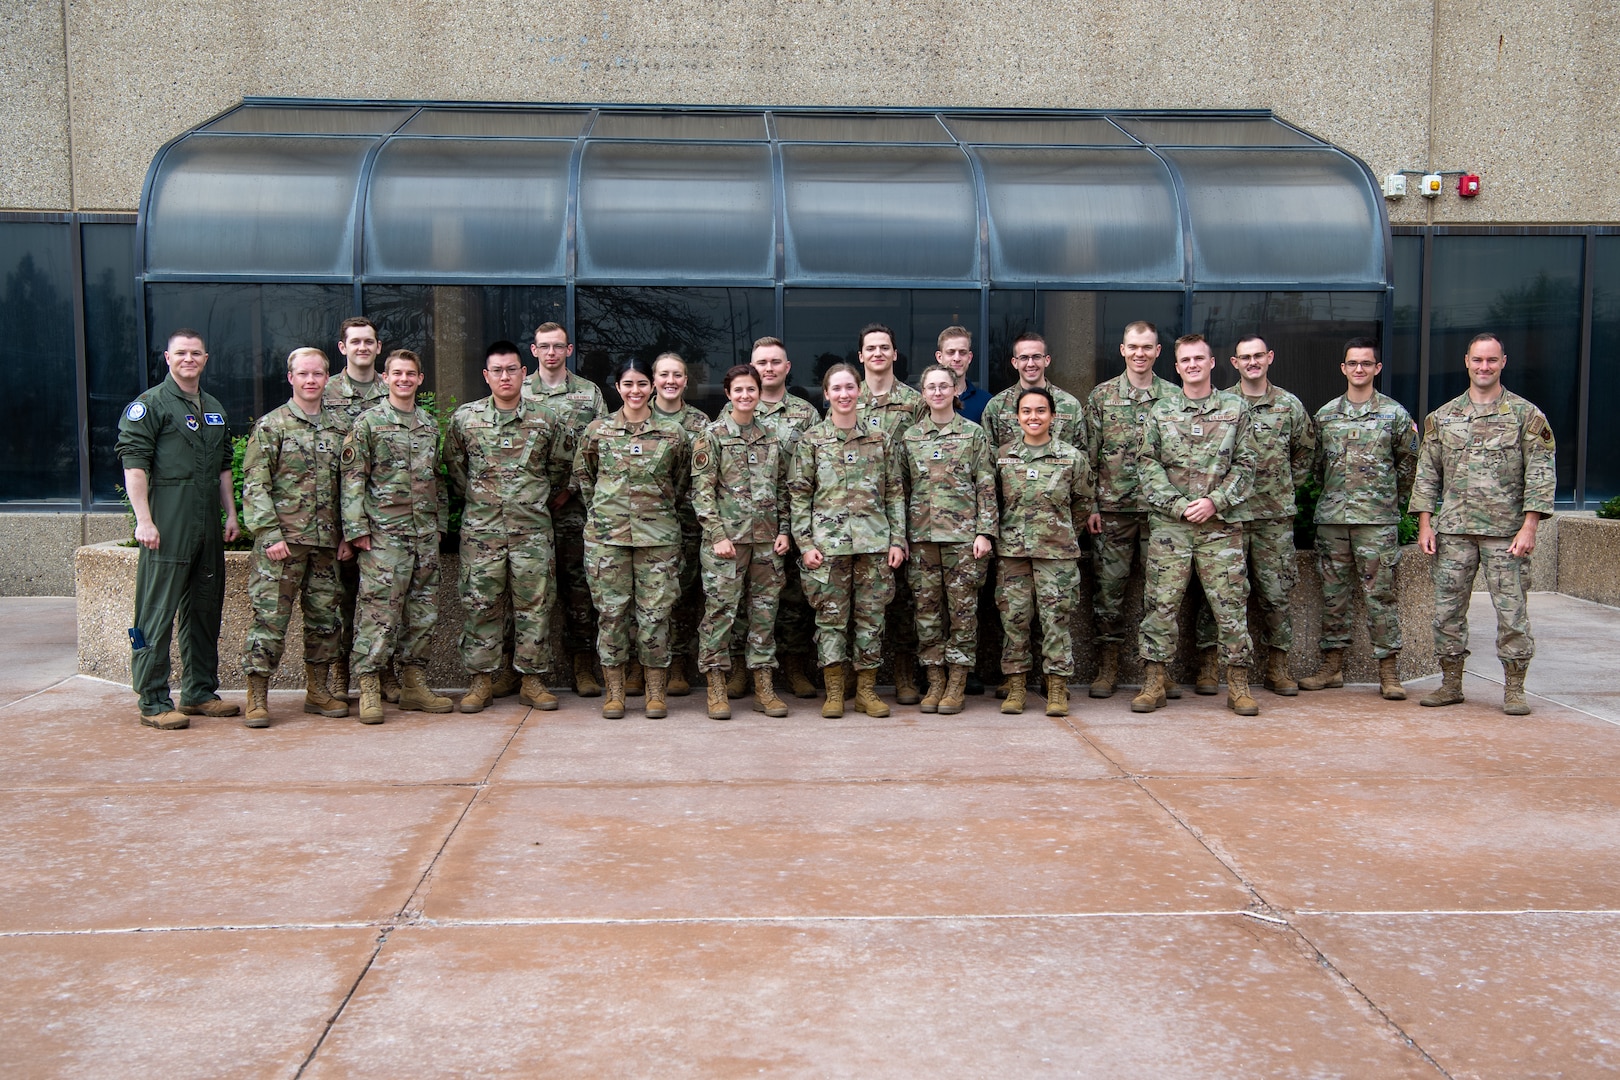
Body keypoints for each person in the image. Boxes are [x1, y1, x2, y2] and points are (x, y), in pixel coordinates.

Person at [1410, 332, 1556, 715]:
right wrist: (1425, 524)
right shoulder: (1442, 417)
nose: (1484, 367)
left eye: (1491, 360)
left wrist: (1530, 526)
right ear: (1466, 361)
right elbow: (1427, 474)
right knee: (1446, 611)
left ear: (1503, 362)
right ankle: (1451, 683)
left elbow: (1540, 473)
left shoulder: (1526, 415)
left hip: (1505, 533)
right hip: (1454, 531)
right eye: (1478, 360)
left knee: (1511, 612)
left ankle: (1514, 688)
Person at [116, 329, 241, 729]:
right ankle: (152, 699)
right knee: (156, 611)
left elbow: (224, 469)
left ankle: (199, 692)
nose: (189, 358)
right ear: (167, 358)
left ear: (206, 358)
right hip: (166, 523)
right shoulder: (150, 405)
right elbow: (134, 466)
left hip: (206, 524)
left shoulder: (215, 407)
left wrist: (232, 515)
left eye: (196, 353)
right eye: (181, 353)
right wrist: (144, 520)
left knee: (204, 610)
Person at [1134, 334, 1260, 716]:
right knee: (1160, 605)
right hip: (1172, 527)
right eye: (1185, 360)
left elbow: (1247, 464)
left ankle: (1237, 685)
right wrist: (1177, 505)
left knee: (1230, 607)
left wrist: (1214, 502)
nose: (1192, 365)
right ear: (1176, 366)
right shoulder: (1161, 411)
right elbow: (1146, 463)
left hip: (1219, 527)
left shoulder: (1235, 409)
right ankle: (1154, 681)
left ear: (1211, 363)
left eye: (1198, 359)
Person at [445, 341, 571, 714]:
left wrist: (532, 500)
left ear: (523, 373)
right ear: (486, 376)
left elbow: (561, 468)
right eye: (497, 370)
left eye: (512, 369)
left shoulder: (547, 419)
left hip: (531, 532)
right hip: (481, 533)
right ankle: (480, 681)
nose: (505, 376)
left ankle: (532, 679)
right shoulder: (465, 419)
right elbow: (455, 469)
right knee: (480, 605)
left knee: (535, 605)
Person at [1191, 334, 1314, 696]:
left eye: (1258, 355)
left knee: (1276, 595)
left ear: (1270, 357)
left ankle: (1278, 666)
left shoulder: (1289, 405)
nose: (1252, 362)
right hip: (1227, 516)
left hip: (1273, 517)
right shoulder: (1222, 404)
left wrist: (1279, 489)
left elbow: (1305, 456)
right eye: (1245, 357)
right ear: (1234, 363)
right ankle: (1209, 665)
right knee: (1217, 594)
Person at [239, 347, 353, 727]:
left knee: (325, 620)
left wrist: (347, 535)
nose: (310, 380)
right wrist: (269, 534)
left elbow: (348, 487)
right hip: (282, 545)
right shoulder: (272, 426)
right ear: (290, 378)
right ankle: (257, 695)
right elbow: (255, 485)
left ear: (327, 378)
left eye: (317, 374)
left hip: (325, 546)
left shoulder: (339, 429)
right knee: (270, 621)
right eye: (303, 374)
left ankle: (318, 691)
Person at [574, 356, 691, 719]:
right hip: (608, 540)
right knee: (611, 616)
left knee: (655, 615)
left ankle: (655, 692)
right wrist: (605, 514)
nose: (635, 390)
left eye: (642, 384)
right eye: (628, 384)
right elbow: (585, 476)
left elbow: (682, 481)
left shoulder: (674, 434)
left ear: (652, 387)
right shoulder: (598, 431)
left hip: (658, 539)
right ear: (618, 387)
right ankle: (616, 693)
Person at [1302, 338, 1419, 700]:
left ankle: (1388, 671)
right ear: (1343, 368)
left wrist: (1385, 500)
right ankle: (1332, 667)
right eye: (1352, 363)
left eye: (1366, 364)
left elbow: (1408, 465)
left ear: (1377, 369)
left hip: (1376, 522)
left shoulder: (1394, 415)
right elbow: (1316, 467)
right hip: (1333, 520)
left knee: (1380, 597)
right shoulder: (1325, 416)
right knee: (1333, 596)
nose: (1358, 369)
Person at [789, 363, 907, 719]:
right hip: (828, 549)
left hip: (873, 546)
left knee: (871, 620)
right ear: (826, 395)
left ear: (859, 392)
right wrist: (806, 544)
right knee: (831, 621)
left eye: (850, 387)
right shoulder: (811, 441)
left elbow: (895, 494)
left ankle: (867, 691)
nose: (844, 394)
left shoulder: (879, 441)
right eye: (836, 388)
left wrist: (897, 540)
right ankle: (835, 692)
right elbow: (798, 497)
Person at [341, 349, 453, 723]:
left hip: (423, 537)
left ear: (421, 380)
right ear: (385, 378)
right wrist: (357, 531)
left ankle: (412, 684)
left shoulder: (428, 424)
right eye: (397, 373)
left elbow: (436, 478)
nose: (404, 379)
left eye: (411, 374)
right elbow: (353, 479)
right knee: (379, 612)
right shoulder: (368, 423)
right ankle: (369, 685)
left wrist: (439, 527)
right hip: (385, 536)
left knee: (423, 613)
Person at [1084, 321, 1182, 698]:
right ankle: (1107, 667)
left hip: (1162, 513)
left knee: (1162, 595)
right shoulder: (1102, 396)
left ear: (1158, 352)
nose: (1140, 353)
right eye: (1133, 347)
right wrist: (1090, 504)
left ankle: (1158, 671)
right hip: (1113, 511)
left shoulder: (1174, 397)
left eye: (1147, 347)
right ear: (1122, 350)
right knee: (1108, 593)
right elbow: (1088, 456)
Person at [692, 365, 792, 720]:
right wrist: (717, 535)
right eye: (739, 390)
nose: (746, 396)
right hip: (727, 544)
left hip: (766, 542)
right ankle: (716, 686)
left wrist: (784, 530)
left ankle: (763, 687)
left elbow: (782, 488)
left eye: (751, 390)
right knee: (720, 614)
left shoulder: (771, 437)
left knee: (764, 615)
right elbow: (702, 492)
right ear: (728, 394)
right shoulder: (713, 435)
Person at [725, 336, 821, 699]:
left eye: (775, 362)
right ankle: (739, 670)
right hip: (747, 526)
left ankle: (795, 668)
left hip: (794, 521)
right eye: (761, 362)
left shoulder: (806, 414)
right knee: (743, 602)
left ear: (787, 367)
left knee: (795, 600)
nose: (768, 368)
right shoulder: (734, 409)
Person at [901, 364, 996, 714]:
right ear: (923, 394)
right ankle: (935, 679)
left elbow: (986, 485)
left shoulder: (973, 435)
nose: (939, 392)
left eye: (945, 386)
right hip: (922, 538)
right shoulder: (910, 438)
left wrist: (985, 532)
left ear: (956, 390)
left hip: (963, 540)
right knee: (926, 613)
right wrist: (901, 537)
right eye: (931, 387)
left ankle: (956, 681)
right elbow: (901, 489)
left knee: (962, 612)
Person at [524, 322, 608, 697]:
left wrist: (571, 489)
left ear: (569, 350)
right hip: (526, 509)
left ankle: (582, 666)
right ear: (534, 350)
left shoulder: (589, 394)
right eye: (545, 347)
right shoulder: (519, 389)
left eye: (558, 346)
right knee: (526, 590)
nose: (552, 353)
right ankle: (519, 668)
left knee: (579, 590)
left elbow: (602, 447)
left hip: (575, 509)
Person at [854, 323, 927, 704]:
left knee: (906, 601)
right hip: (860, 516)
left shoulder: (915, 403)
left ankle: (903, 674)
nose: (878, 353)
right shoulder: (848, 399)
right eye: (871, 348)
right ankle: (856, 678)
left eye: (885, 347)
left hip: (908, 511)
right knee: (861, 599)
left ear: (895, 354)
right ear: (861, 356)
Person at [323, 317, 391, 705]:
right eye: (356, 342)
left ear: (378, 347)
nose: (363, 348)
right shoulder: (325, 390)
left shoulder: (394, 388)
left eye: (369, 342)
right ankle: (339, 678)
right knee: (338, 602)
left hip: (383, 521)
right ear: (343, 347)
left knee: (381, 604)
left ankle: (383, 677)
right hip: (332, 519)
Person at [650, 351, 712, 698]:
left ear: (686, 381)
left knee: (684, 596)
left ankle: (677, 665)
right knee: (643, 598)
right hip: (647, 524)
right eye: (664, 374)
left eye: (677, 375)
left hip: (689, 523)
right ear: (654, 380)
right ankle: (639, 664)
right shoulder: (635, 418)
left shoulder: (702, 424)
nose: (670, 381)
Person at [980, 332, 1085, 451]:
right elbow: (987, 458)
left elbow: (1082, 455)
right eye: (1024, 358)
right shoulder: (996, 406)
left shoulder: (1070, 405)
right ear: (1015, 362)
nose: (1030, 364)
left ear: (1047, 360)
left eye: (1036, 357)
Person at [936, 325, 991, 423]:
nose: (957, 358)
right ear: (939, 357)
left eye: (962, 352)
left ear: (969, 357)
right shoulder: (926, 401)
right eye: (951, 352)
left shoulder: (986, 402)